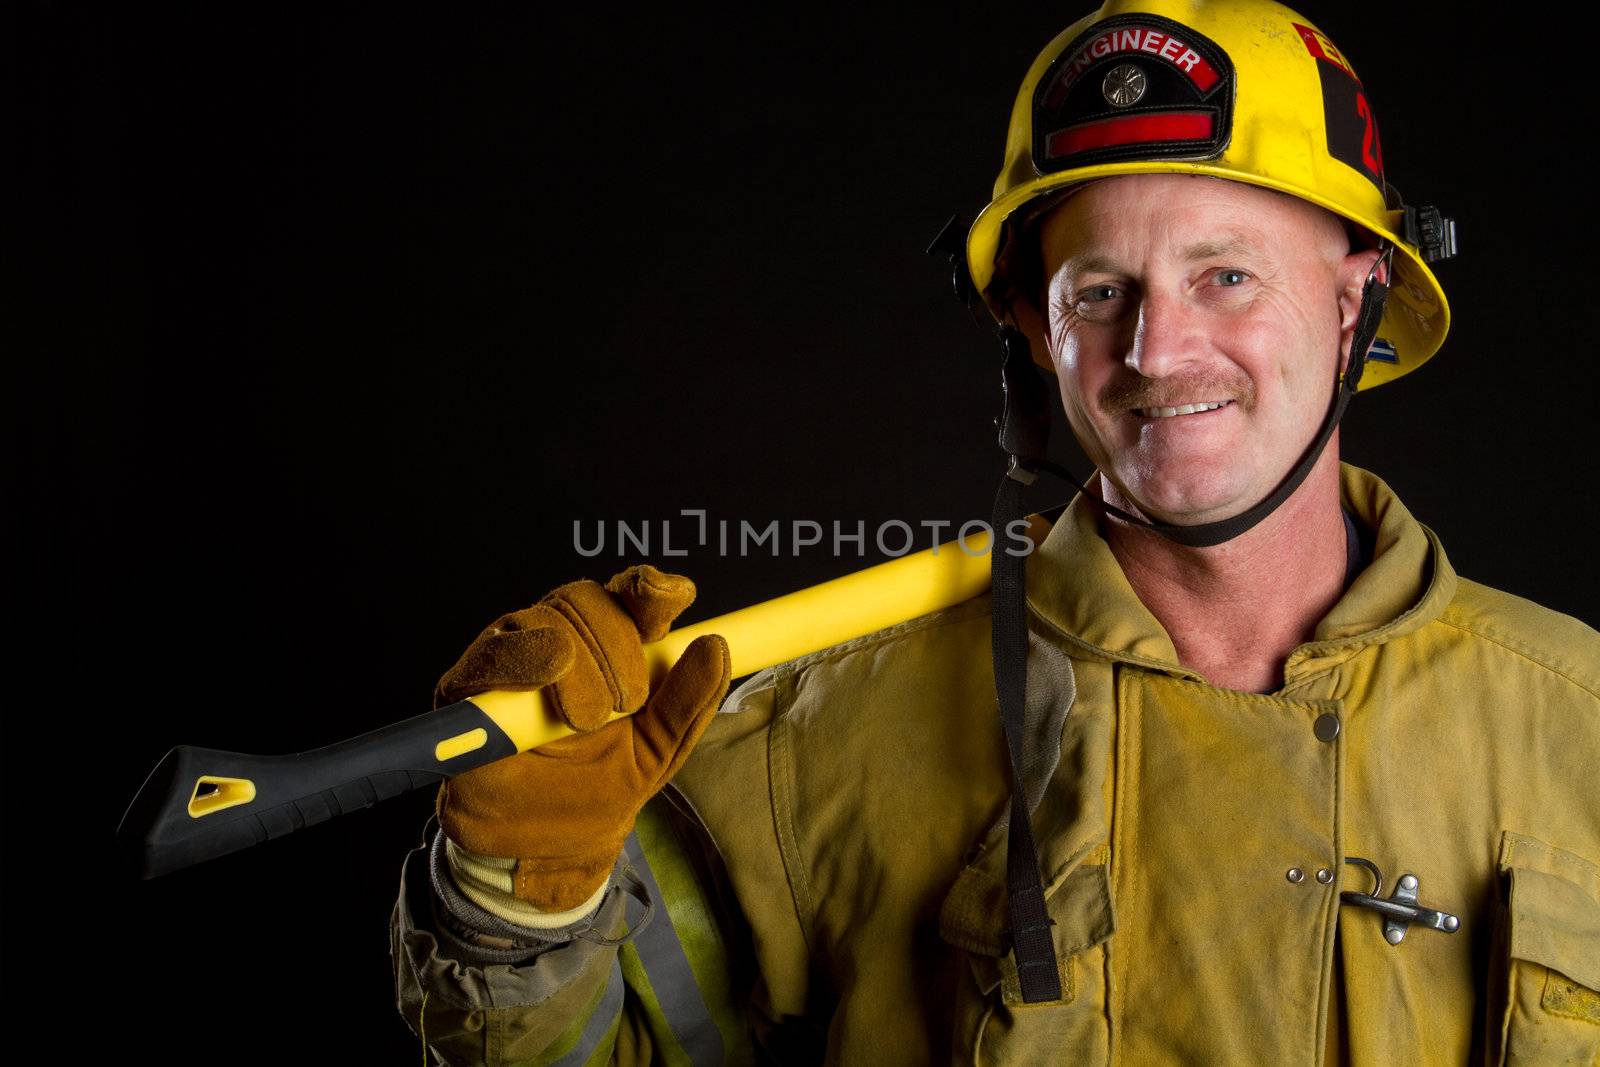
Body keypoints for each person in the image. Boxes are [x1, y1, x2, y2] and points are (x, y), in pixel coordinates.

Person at [389, 1, 1600, 1063]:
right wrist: (514, 895)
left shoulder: (1577, 722)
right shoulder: (817, 737)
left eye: (1226, 275)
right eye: (1098, 291)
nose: (1157, 350)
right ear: (1030, 328)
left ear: (1353, 300)